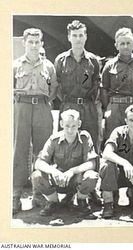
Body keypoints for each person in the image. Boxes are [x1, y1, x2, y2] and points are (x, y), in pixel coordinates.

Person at [13, 28, 58, 215]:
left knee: (43, 151)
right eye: (30, 41)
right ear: (24, 43)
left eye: (37, 41)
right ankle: (15, 195)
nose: (33, 45)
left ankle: (38, 193)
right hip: (21, 107)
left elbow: (53, 89)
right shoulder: (15, 65)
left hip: (42, 106)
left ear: (41, 43)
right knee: (20, 149)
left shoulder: (49, 66)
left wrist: (43, 102)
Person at [31, 109, 99, 216]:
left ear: (79, 124)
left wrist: (72, 171)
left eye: (73, 126)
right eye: (67, 126)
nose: (70, 130)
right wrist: (54, 172)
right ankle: (53, 202)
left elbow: (92, 164)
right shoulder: (54, 139)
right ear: (61, 124)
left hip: (76, 180)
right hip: (58, 179)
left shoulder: (85, 138)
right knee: (37, 176)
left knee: (91, 176)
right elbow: (39, 163)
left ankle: (81, 200)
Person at [54, 20, 100, 152]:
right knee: (65, 144)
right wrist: (67, 101)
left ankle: (92, 171)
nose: (78, 39)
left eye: (81, 35)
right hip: (68, 105)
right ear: (69, 37)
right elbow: (56, 84)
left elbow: (96, 83)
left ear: (85, 37)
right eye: (74, 35)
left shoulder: (93, 61)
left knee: (90, 143)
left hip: (88, 108)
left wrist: (88, 102)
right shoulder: (61, 60)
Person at [100, 27, 133, 140]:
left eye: (128, 43)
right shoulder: (109, 65)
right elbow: (104, 89)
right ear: (116, 46)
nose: (125, 46)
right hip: (116, 109)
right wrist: (109, 108)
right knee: (115, 140)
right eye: (122, 43)